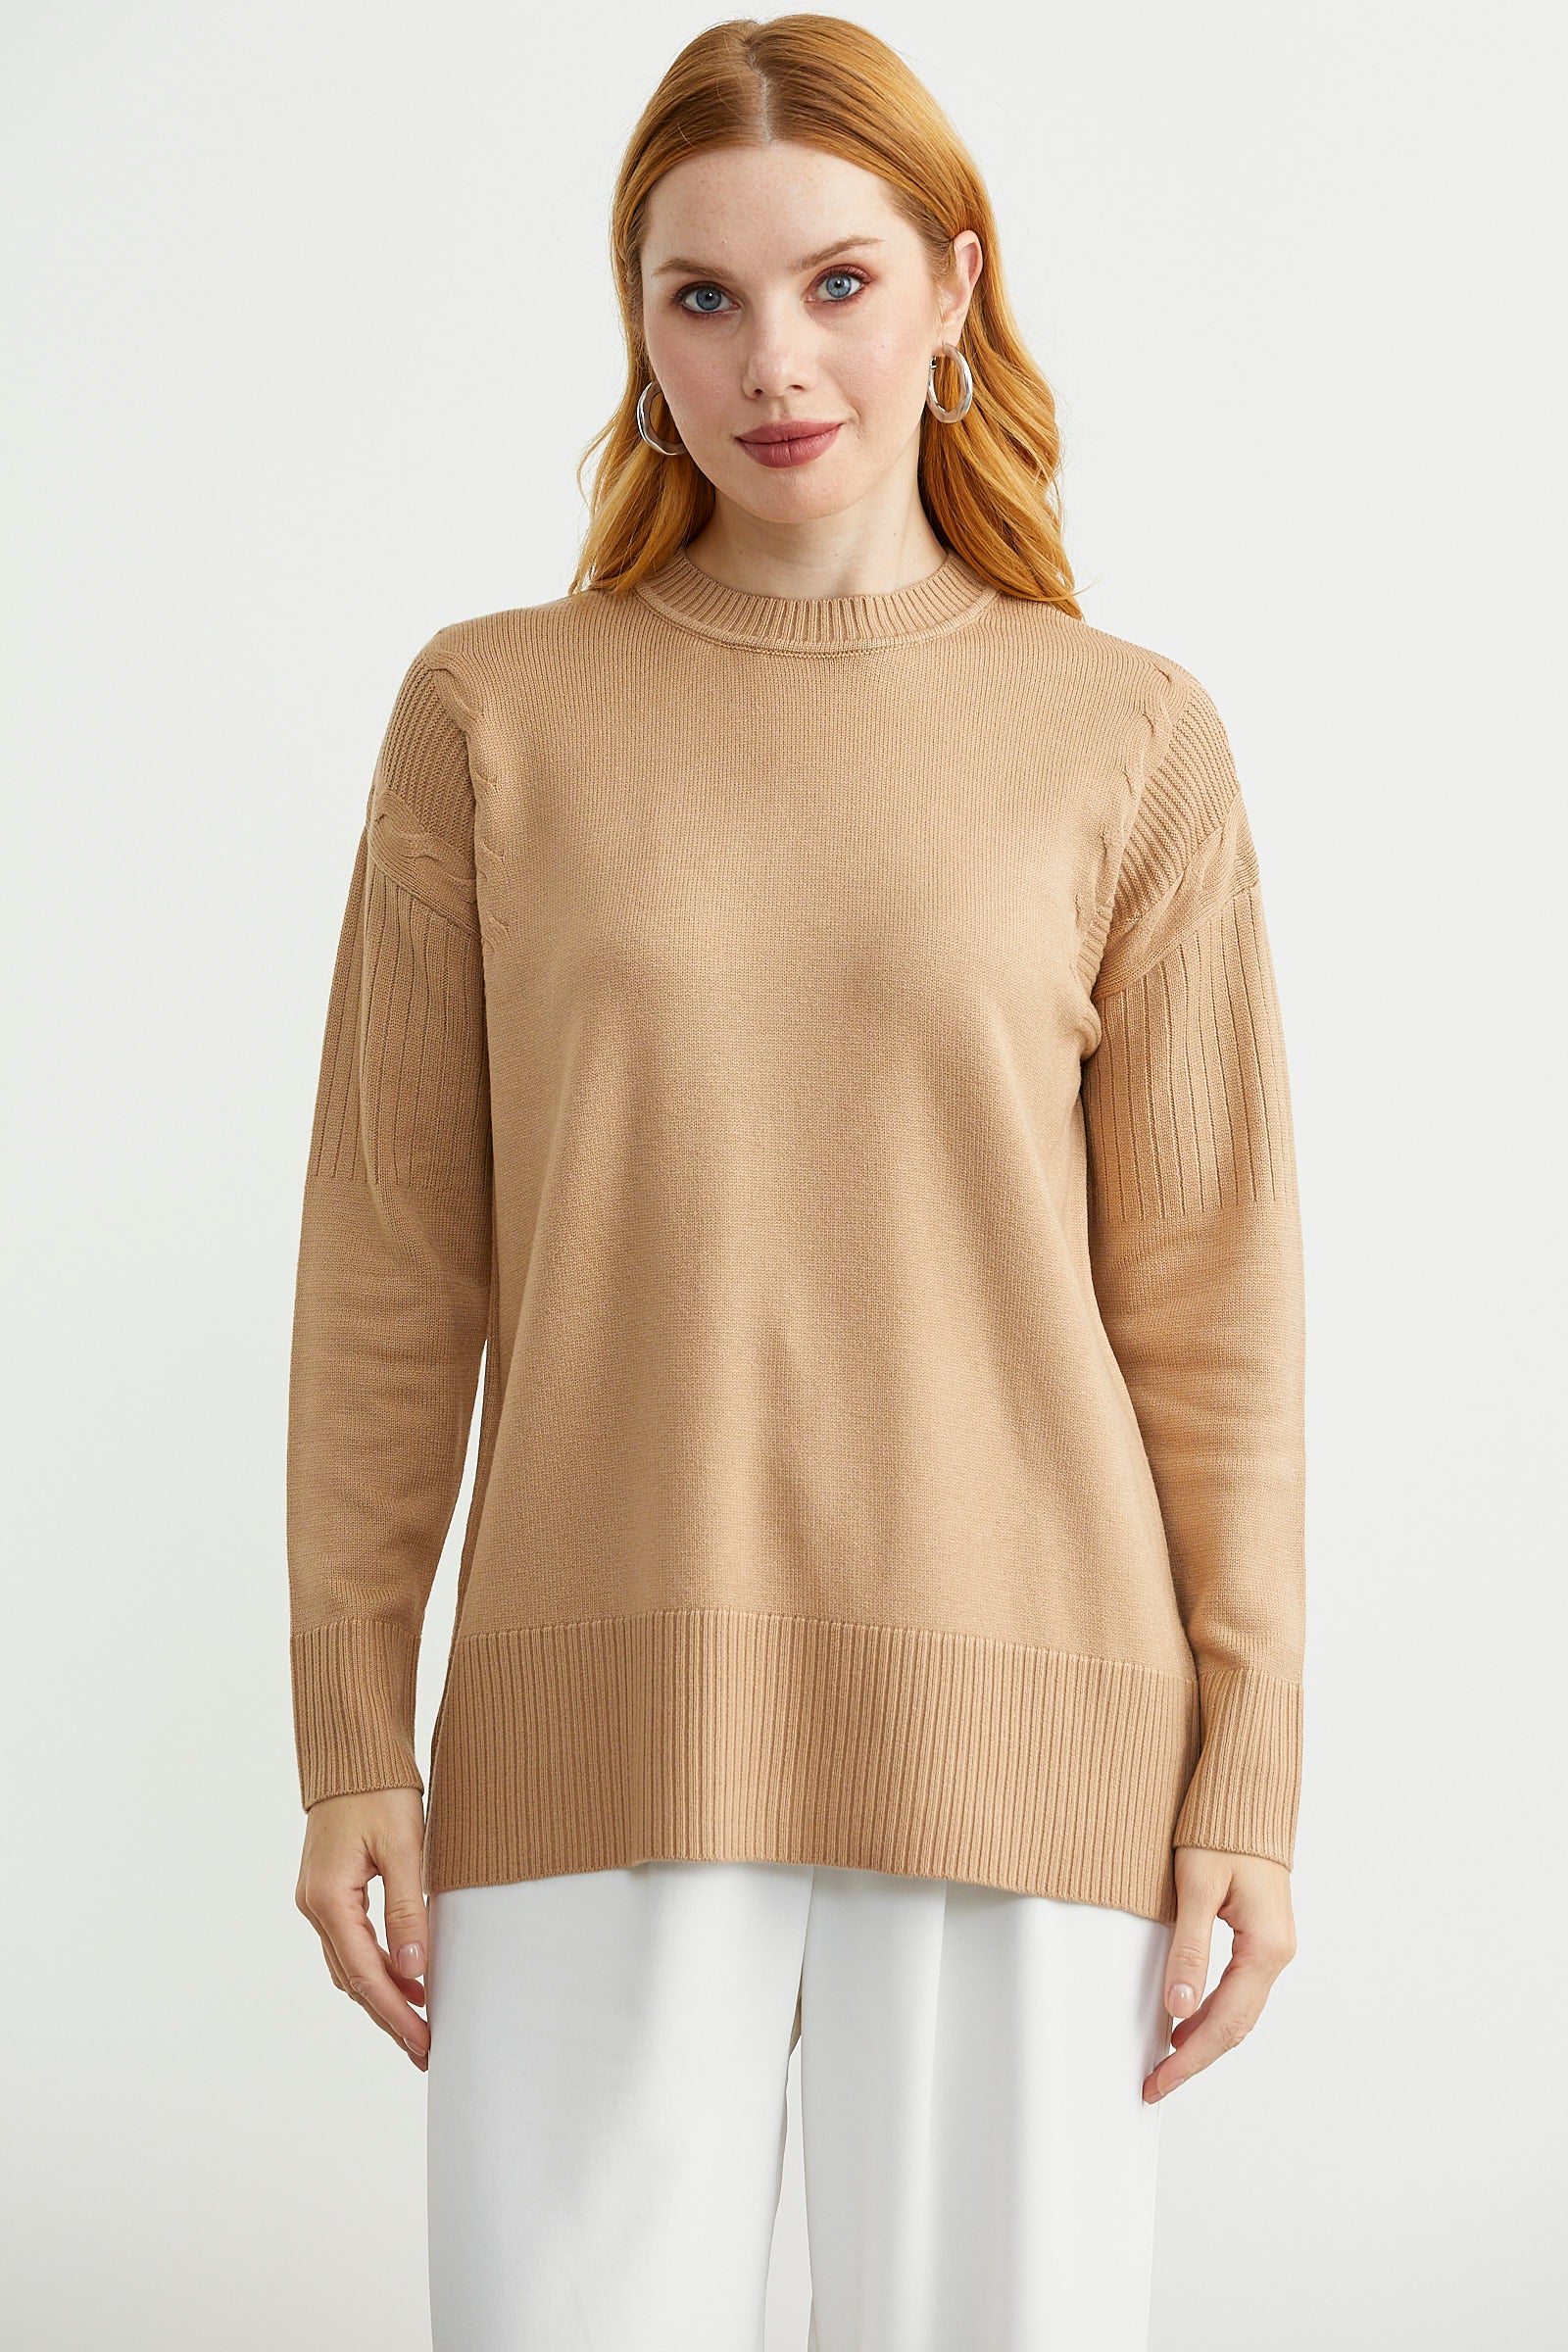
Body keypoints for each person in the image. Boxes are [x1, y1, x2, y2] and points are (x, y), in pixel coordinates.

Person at [286, 16, 1304, 2349]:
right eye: (703, 297)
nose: (772, 363)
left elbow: (1212, 1307)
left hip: (1030, 1722)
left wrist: (1244, 1772)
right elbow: (388, 1269)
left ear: (953, 287)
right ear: (637, 333)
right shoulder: (491, 718)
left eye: (836, 282)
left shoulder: (1124, 736)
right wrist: (350, 1729)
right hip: (592, 1724)